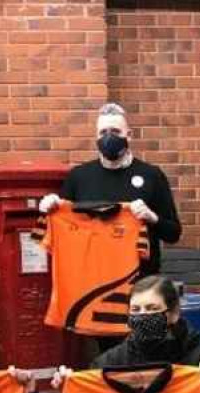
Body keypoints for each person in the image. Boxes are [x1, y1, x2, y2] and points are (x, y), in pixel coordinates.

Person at [37, 103, 182, 351]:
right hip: (97, 288)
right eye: (103, 132)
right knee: (110, 358)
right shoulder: (79, 177)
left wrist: (151, 217)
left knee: (150, 351)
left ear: (129, 135)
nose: (108, 138)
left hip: (144, 290)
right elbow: (63, 214)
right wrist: (50, 206)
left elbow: (174, 233)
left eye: (115, 131)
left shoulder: (151, 175)